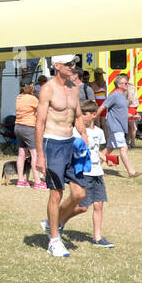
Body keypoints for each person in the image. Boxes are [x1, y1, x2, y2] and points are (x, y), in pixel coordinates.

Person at [34, 54, 86, 258]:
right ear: (57, 66)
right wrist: (39, 155)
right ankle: (54, 240)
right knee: (56, 193)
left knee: (80, 194)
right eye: (69, 64)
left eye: (75, 64)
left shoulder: (75, 88)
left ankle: (53, 222)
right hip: (52, 143)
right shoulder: (48, 89)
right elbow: (39, 122)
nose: (73, 67)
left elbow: (79, 116)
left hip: (71, 143)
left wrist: (85, 139)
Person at [74, 100, 113, 247]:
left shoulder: (99, 132)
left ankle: (97, 237)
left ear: (94, 115)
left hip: (98, 173)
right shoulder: (77, 131)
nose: (82, 117)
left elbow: (96, 151)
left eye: (85, 114)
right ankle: (59, 220)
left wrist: (106, 159)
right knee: (83, 207)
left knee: (99, 205)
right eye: (81, 114)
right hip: (85, 173)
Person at [101, 73, 140, 177]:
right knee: (123, 147)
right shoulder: (114, 95)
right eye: (125, 83)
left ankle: (96, 167)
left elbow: (123, 113)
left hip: (119, 126)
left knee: (109, 148)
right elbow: (103, 106)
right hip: (115, 126)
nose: (128, 85)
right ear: (118, 84)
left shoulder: (123, 97)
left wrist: (133, 116)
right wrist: (93, 117)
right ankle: (131, 172)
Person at [13, 82, 45, 189]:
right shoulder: (32, 99)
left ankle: (21, 180)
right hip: (29, 127)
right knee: (34, 154)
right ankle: (37, 181)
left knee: (21, 154)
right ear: (30, 89)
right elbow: (41, 110)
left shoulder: (19, 97)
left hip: (18, 126)